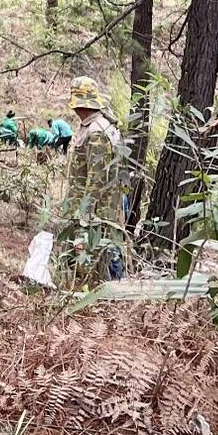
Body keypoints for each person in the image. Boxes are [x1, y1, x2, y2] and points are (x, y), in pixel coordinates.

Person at [64, 76, 126, 281]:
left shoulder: (97, 131)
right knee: (105, 252)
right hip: (101, 208)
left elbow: (97, 178)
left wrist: (85, 215)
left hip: (98, 210)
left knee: (106, 253)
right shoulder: (98, 125)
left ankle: (114, 298)